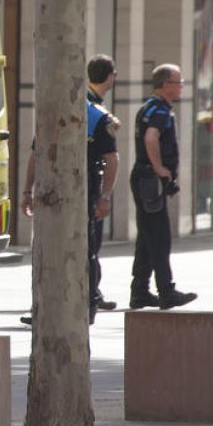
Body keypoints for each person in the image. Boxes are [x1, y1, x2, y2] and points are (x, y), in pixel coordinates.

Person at [19, 69, 119, 326]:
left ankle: (87, 305)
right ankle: (44, 307)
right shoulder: (49, 115)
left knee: (85, 250)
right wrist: (27, 191)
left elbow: (111, 160)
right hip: (50, 193)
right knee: (45, 249)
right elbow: (36, 153)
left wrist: (105, 197)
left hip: (85, 193)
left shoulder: (97, 117)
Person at [129, 63, 196, 310]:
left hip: (144, 179)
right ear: (166, 85)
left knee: (147, 238)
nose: (181, 87)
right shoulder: (160, 111)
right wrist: (159, 168)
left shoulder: (148, 107)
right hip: (149, 179)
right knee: (160, 237)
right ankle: (166, 291)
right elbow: (151, 137)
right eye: (179, 82)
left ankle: (140, 291)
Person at [85, 54, 119, 311]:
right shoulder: (96, 111)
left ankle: (92, 292)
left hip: (81, 185)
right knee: (90, 243)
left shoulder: (92, 106)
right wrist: (105, 196)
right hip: (87, 186)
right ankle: (90, 295)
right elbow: (111, 158)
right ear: (110, 76)